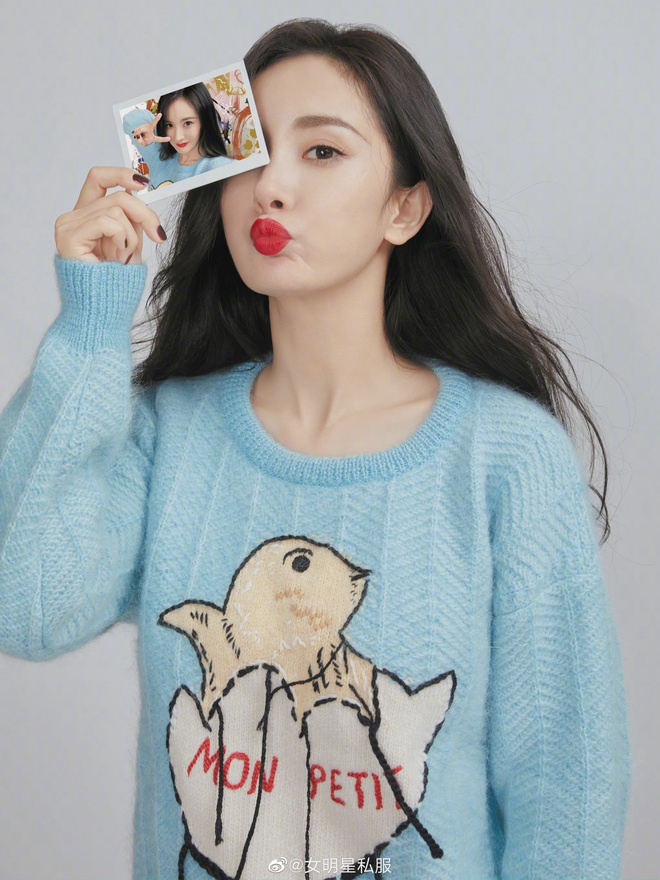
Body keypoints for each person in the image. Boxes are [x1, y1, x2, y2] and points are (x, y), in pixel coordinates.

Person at [0, 17, 630, 880]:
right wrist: (90, 319)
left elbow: (567, 786)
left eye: (323, 152)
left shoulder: (505, 457)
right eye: (251, 155)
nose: (271, 187)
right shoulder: (167, 434)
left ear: (405, 208)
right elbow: (25, 608)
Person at [123, 81, 233, 192]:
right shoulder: (159, 156)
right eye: (169, 125)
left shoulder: (214, 166)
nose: (177, 137)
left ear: (204, 120)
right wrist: (152, 128)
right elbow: (131, 119)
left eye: (187, 123)